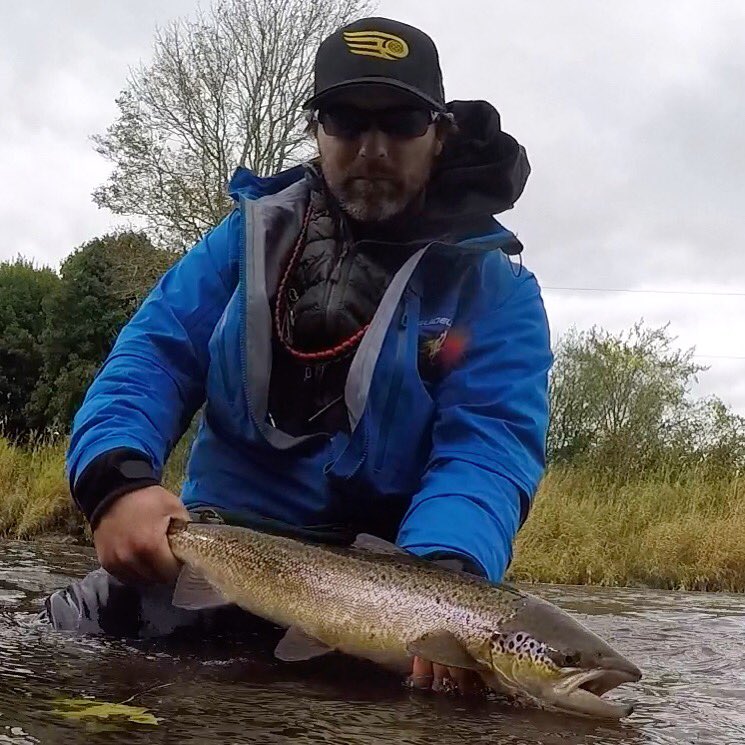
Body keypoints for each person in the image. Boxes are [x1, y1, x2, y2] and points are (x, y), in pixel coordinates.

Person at [41, 17, 552, 696]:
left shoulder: (497, 291)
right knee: (52, 645)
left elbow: (486, 449)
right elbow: (150, 360)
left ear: (438, 134)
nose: (372, 148)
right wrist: (118, 480)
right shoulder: (241, 241)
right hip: (220, 555)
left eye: (400, 122)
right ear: (316, 130)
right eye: (345, 119)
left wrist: (444, 580)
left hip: (386, 582)